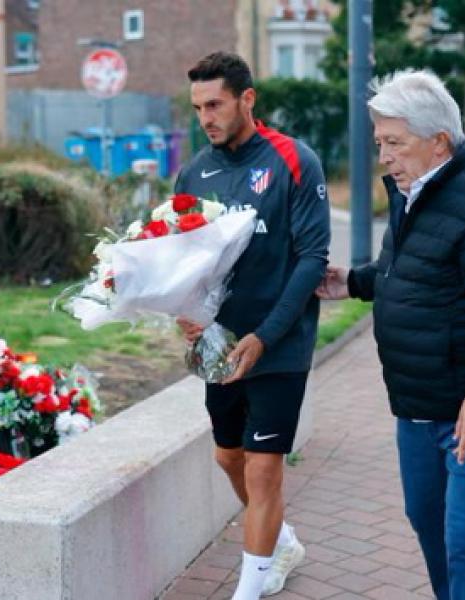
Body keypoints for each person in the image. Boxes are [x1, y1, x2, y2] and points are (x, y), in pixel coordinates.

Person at [316, 69, 465, 599]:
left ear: (439, 141)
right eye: (380, 144)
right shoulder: (411, 191)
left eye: (395, 143)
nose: (385, 157)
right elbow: (412, 272)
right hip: (415, 403)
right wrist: (350, 282)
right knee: (427, 520)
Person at [174, 51, 330, 599]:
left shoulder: (294, 159)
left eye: (215, 105)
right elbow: (181, 261)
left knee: (264, 471)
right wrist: (187, 313)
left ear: (247, 99)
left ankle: (250, 587)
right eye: (197, 108)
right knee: (228, 457)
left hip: (279, 343)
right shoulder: (195, 171)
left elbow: (312, 256)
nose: (206, 118)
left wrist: (266, 335)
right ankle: (281, 540)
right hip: (220, 347)